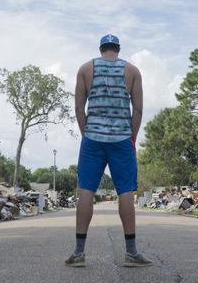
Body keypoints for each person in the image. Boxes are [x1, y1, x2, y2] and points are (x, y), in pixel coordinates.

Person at [65, 34, 152, 268]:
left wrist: (87, 134)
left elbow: (78, 108)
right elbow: (139, 110)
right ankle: (131, 253)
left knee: (86, 190)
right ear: (118, 49)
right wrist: (131, 137)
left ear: (101, 49)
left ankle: (79, 253)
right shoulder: (132, 71)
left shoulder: (85, 69)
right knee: (125, 192)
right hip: (122, 138)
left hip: (92, 138)